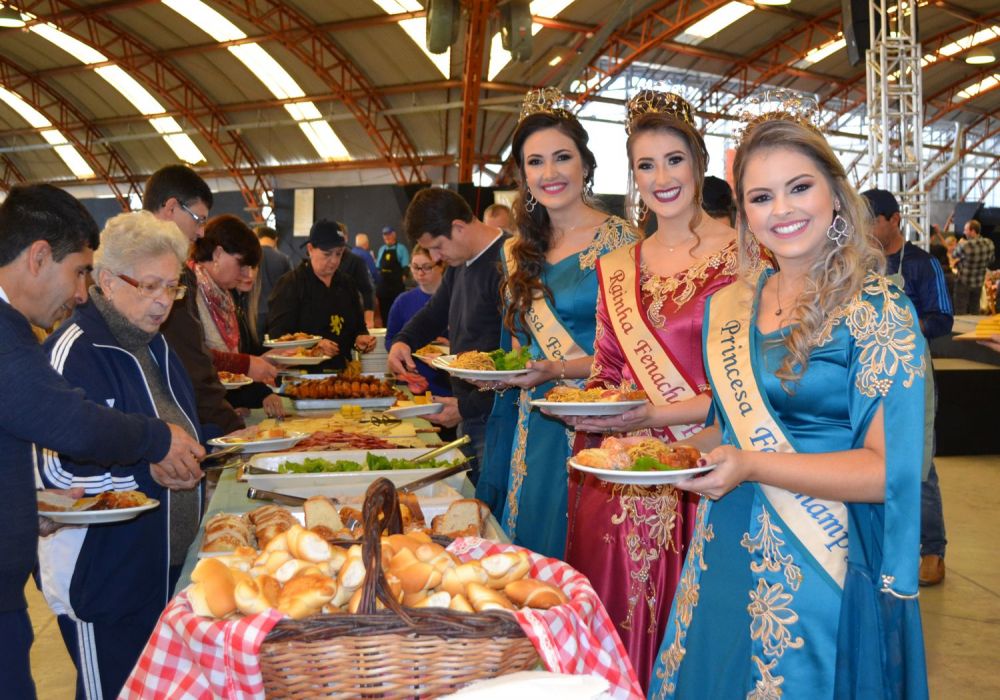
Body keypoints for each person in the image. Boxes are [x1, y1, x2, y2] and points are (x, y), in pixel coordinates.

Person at [648, 112, 928, 698]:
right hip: (724, 545)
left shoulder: (877, 311)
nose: (782, 210)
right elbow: (727, 429)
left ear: (834, 191)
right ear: (745, 214)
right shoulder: (732, 306)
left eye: (799, 187)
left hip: (821, 562)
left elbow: (887, 471)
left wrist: (752, 465)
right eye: (761, 196)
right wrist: (655, 453)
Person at [559, 90, 739, 689]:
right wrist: (589, 410)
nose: (662, 178)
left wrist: (652, 412)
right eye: (645, 164)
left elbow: (749, 389)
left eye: (674, 160)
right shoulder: (618, 266)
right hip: (620, 482)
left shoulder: (748, 256)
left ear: (699, 161)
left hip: (705, 471)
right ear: (632, 177)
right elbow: (606, 374)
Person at [0, 184, 203, 699]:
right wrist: (152, 448)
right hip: (103, 585)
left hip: (152, 574)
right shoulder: (42, 345)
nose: (79, 292)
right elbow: (60, 440)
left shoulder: (157, 347)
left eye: (172, 287)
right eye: (79, 273)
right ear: (39, 257)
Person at [482, 87, 639, 558]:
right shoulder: (515, 248)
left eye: (562, 157)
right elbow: (515, 343)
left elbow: (635, 355)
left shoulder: (624, 243)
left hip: (594, 424)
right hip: (525, 425)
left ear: (585, 165)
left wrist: (557, 370)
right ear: (522, 173)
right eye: (535, 162)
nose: (549, 173)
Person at [863, 189, 953, 588]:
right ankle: (880, 543)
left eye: (872, 221)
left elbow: (943, 319)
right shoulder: (860, 265)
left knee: (918, 466)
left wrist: (902, 329)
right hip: (867, 374)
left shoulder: (921, 263)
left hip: (912, 374)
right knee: (869, 458)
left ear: (893, 219)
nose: (865, 229)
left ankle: (931, 550)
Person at [386, 188, 507, 480]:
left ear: (458, 227)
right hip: (469, 410)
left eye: (438, 247)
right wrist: (404, 340)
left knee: (491, 502)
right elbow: (435, 312)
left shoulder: (507, 264)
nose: (436, 258)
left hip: (499, 419)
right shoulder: (459, 263)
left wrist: (467, 407)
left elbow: (515, 362)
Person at [144, 165, 244, 436]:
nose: (201, 232)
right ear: (171, 207)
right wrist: (229, 424)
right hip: (165, 425)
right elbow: (189, 356)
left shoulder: (176, 267)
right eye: (198, 219)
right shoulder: (163, 268)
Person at [191, 216, 285, 418]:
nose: (247, 274)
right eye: (241, 264)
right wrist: (247, 364)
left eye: (252, 267)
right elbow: (194, 356)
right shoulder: (189, 290)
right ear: (218, 254)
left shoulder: (222, 294)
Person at [266, 220, 376, 371]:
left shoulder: (347, 284)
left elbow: (358, 327)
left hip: (341, 373)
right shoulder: (291, 284)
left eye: (339, 254)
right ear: (310, 249)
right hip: (302, 376)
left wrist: (361, 338)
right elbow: (278, 338)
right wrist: (313, 348)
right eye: (327, 254)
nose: (334, 261)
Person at [385, 245, 453, 400]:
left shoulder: (455, 299)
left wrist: (450, 344)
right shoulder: (402, 301)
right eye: (415, 267)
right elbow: (391, 339)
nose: (420, 273)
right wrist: (403, 350)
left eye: (427, 267)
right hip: (414, 376)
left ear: (441, 266)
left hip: (448, 381)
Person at [250, 227, 291, 343]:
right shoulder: (283, 259)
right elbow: (289, 288)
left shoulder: (252, 256)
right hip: (277, 313)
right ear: (275, 239)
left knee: (256, 349)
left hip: (255, 311)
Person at [336, 222, 377, 328]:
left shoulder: (356, 261)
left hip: (350, 314)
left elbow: (367, 290)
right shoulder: (324, 260)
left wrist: (369, 320)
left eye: (341, 237)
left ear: (346, 238)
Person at [952, 218, 993, 314]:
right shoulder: (989, 243)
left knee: (960, 310)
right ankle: (975, 329)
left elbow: (954, 255)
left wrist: (960, 244)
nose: (964, 232)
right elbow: (991, 260)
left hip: (964, 282)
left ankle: (961, 329)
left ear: (973, 231)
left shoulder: (965, 245)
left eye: (966, 230)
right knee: (975, 309)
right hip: (978, 282)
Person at [375, 224, 410, 321]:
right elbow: (378, 267)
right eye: (385, 235)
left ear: (394, 234)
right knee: (384, 315)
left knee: (397, 314)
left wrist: (403, 278)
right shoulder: (382, 249)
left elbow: (405, 268)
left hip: (396, 288)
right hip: (383, 289)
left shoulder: (401, 249)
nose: (387, 237)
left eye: (389, 234)